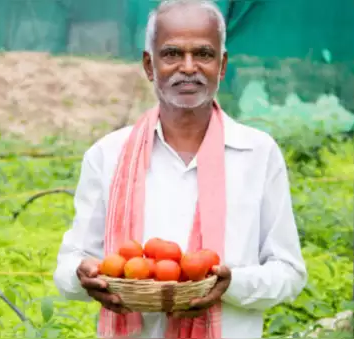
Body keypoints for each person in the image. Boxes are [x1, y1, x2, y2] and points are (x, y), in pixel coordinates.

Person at [53, 0, 307, 338]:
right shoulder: (107, 155)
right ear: (149, 65)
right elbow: (71, 264)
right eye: (172, 54)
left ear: (223, 65)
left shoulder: (258, 154)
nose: (188, 67)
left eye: (203, 54)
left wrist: (232, 284)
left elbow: (289, 272)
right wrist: (81, 276)